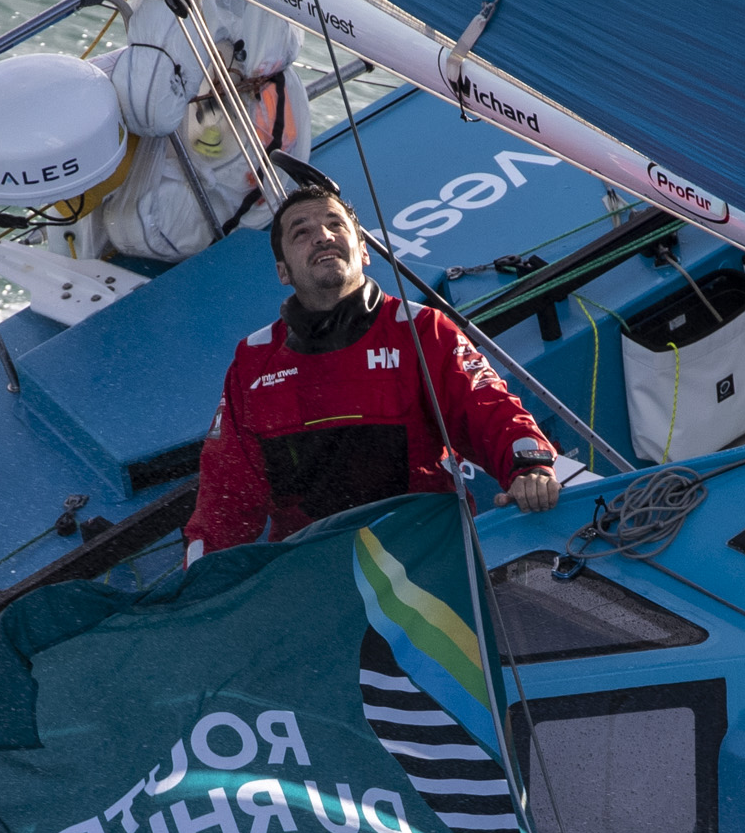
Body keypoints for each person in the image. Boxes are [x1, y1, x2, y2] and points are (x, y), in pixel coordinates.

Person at [183, 179, 563, 558]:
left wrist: (529, 468)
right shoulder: (253, 362)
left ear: (364, 251)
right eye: (302, 232)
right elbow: (226, 494)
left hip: (424, 555)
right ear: (283, 272)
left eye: (335, 225)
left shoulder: (422, 330)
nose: (323, 237)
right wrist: (202, 568)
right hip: (311, 566)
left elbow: (489, 410)